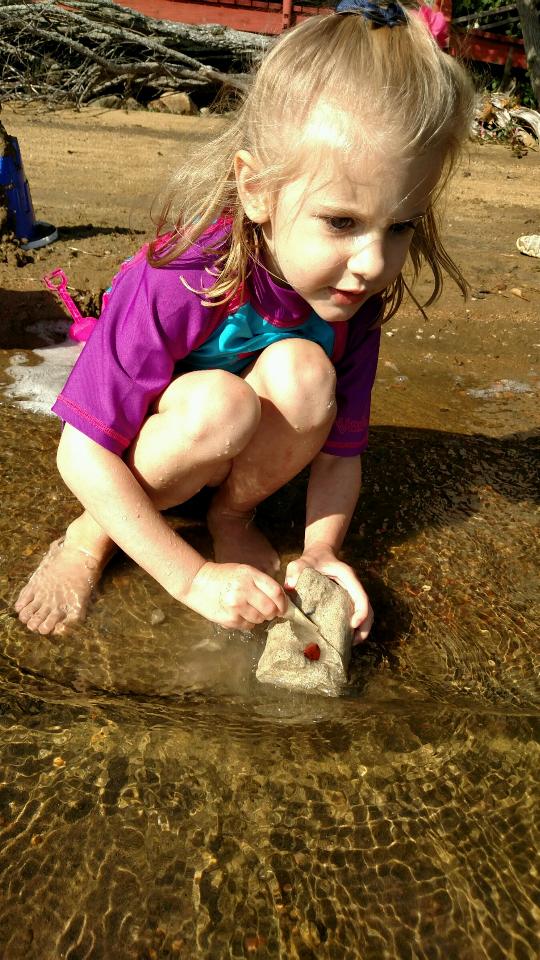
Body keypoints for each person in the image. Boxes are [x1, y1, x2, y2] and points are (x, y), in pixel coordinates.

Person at [15, 0, 474, 638]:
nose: (374, 263)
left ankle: (231, 515)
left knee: (306, 372)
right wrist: (191, 578)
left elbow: (339, 456)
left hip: (239, 456)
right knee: (219, 405)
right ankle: (89, 534)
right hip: (152, 451)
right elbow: (82, 451)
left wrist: (321, 551)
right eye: (341, 221)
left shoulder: (352, 296)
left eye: (400, 227)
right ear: (256, 190)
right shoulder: (181, 275)